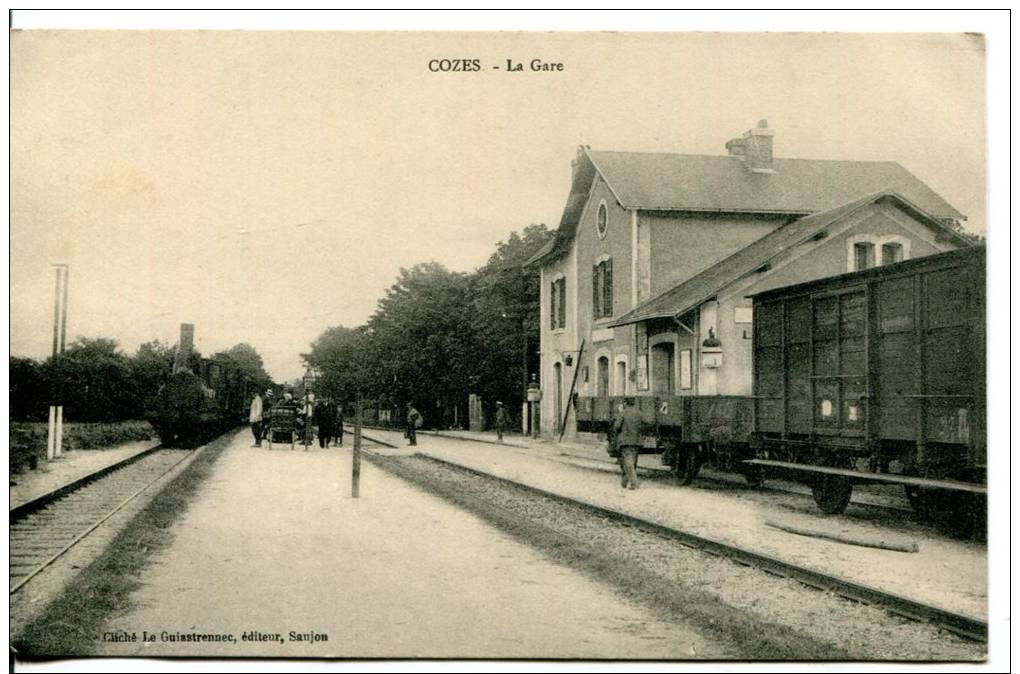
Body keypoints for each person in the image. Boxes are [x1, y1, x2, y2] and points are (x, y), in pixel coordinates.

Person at [613, 397, 644, 490]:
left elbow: (617, 426)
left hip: (626, 441)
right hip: (637, 441)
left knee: (628, 463)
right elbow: (645, 425)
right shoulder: (639, 413)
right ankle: (624, 482)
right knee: (632, 462)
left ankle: (634, 484)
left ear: (625, 403)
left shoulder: (623, 413)